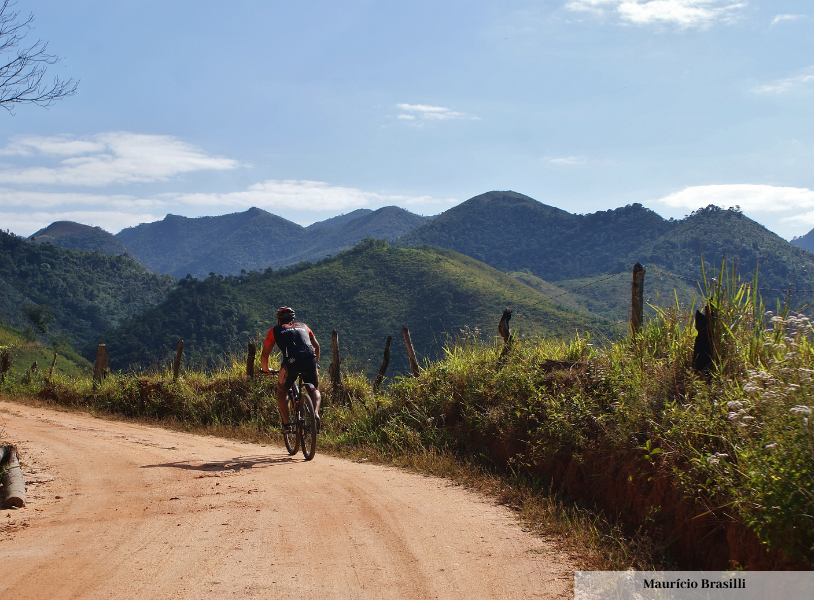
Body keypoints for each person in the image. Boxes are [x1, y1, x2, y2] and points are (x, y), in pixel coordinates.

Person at [260, 306, 322, 433]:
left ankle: (287, 425)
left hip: (291, 362)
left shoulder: (274, 330)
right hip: (310, 360)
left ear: (278, 320)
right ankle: (314, 413)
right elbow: (316, 346)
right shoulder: (304, 326)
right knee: (314, 390)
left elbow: (265, 354)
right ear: (293, 319)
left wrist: (266, 369)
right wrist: (315, 364)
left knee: (282, 392)